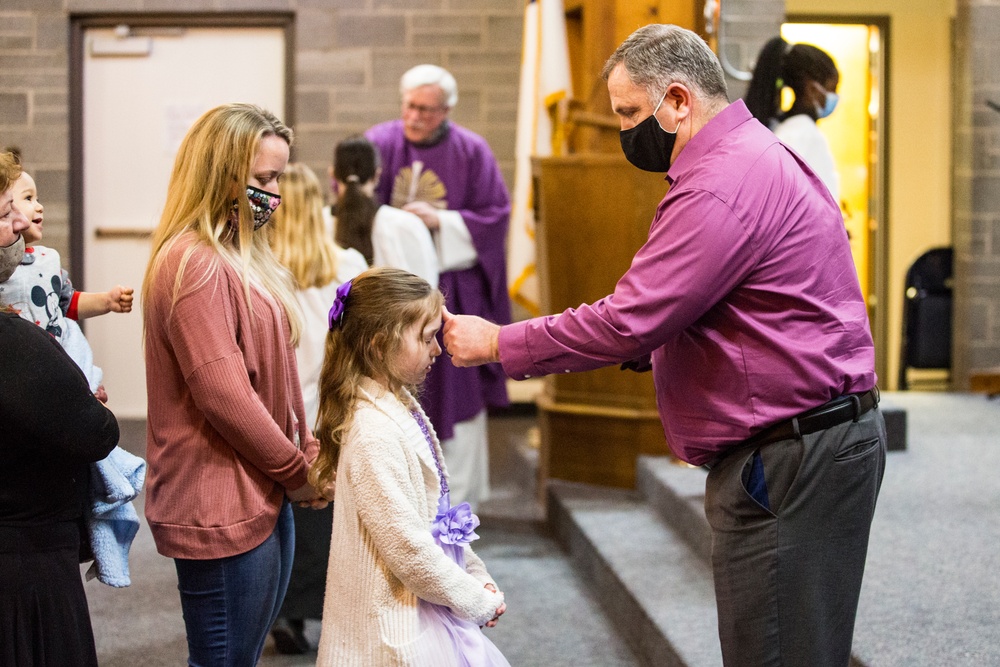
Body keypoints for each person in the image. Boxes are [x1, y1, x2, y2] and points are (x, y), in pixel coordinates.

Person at [443, 24, 886, 667]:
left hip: (792, 454)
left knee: (777, 653)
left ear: (678, 100)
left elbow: (629, 319)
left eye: (628, 113)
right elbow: (743, 305)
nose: (624, 131)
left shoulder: (719, 181)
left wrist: (498, 343)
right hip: (811, 441)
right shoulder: (748, 153)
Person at [142, 103, 330, 666]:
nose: (275, 195)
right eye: (264, 180)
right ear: (222, 176)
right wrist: (298, 472)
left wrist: (305, 451)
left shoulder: (240, 255)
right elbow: (226, 396)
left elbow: (272, 378)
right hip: (218, 501)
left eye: (278, 178)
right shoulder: (193, 264)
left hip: (258, 487)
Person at [312, 267, 508, 667]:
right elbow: (408, 548)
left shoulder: (399, 403)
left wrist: (474, 572)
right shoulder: (373, 433)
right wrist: (474, 600)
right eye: (425, 337)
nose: (437, 349)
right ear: (378, 345)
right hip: (392, 629)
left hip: (425, 604)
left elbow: (439, 514)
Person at [366, 64, 512, 509]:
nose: (416, 117)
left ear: (447, 109)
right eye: (411, 106)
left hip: (452, 292)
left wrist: (441, 222)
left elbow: (495, 215)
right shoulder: (378, 143)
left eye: (428, 110)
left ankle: (457, 508)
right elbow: (353, 204)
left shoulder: (472, 150)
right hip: (391, 294)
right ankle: (401, 502)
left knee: (457, 389)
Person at [0, 150, 120, 667]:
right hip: (25, 565)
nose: (20, 224)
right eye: (7, 213)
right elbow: (96, 432)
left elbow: (67, 304)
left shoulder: (43, 267)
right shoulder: (10, 336)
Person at [265, 162, 368, 654]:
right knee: (327, 517)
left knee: (281, 512)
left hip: (279, 411)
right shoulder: (347, 265)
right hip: (333, 409)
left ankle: (281, 613)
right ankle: (331, 611)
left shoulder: (261, 269)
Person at [0, 167, 134, 398]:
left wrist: (106, 301)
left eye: (38, 198)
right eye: (28, 198)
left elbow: (68, 302)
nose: (39, 206)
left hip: (63, 359)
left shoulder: (48, 259)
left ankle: (88, 389)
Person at [329, 135, 439, 289]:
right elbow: (427, 291)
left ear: (333, 174)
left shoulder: (317, 223)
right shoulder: (406, 225)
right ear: (377, 174)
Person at [745, 36, 842, 201]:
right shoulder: (804, 135)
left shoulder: (780, 130)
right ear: (812, 89)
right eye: (832, 89)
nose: (835, 97)